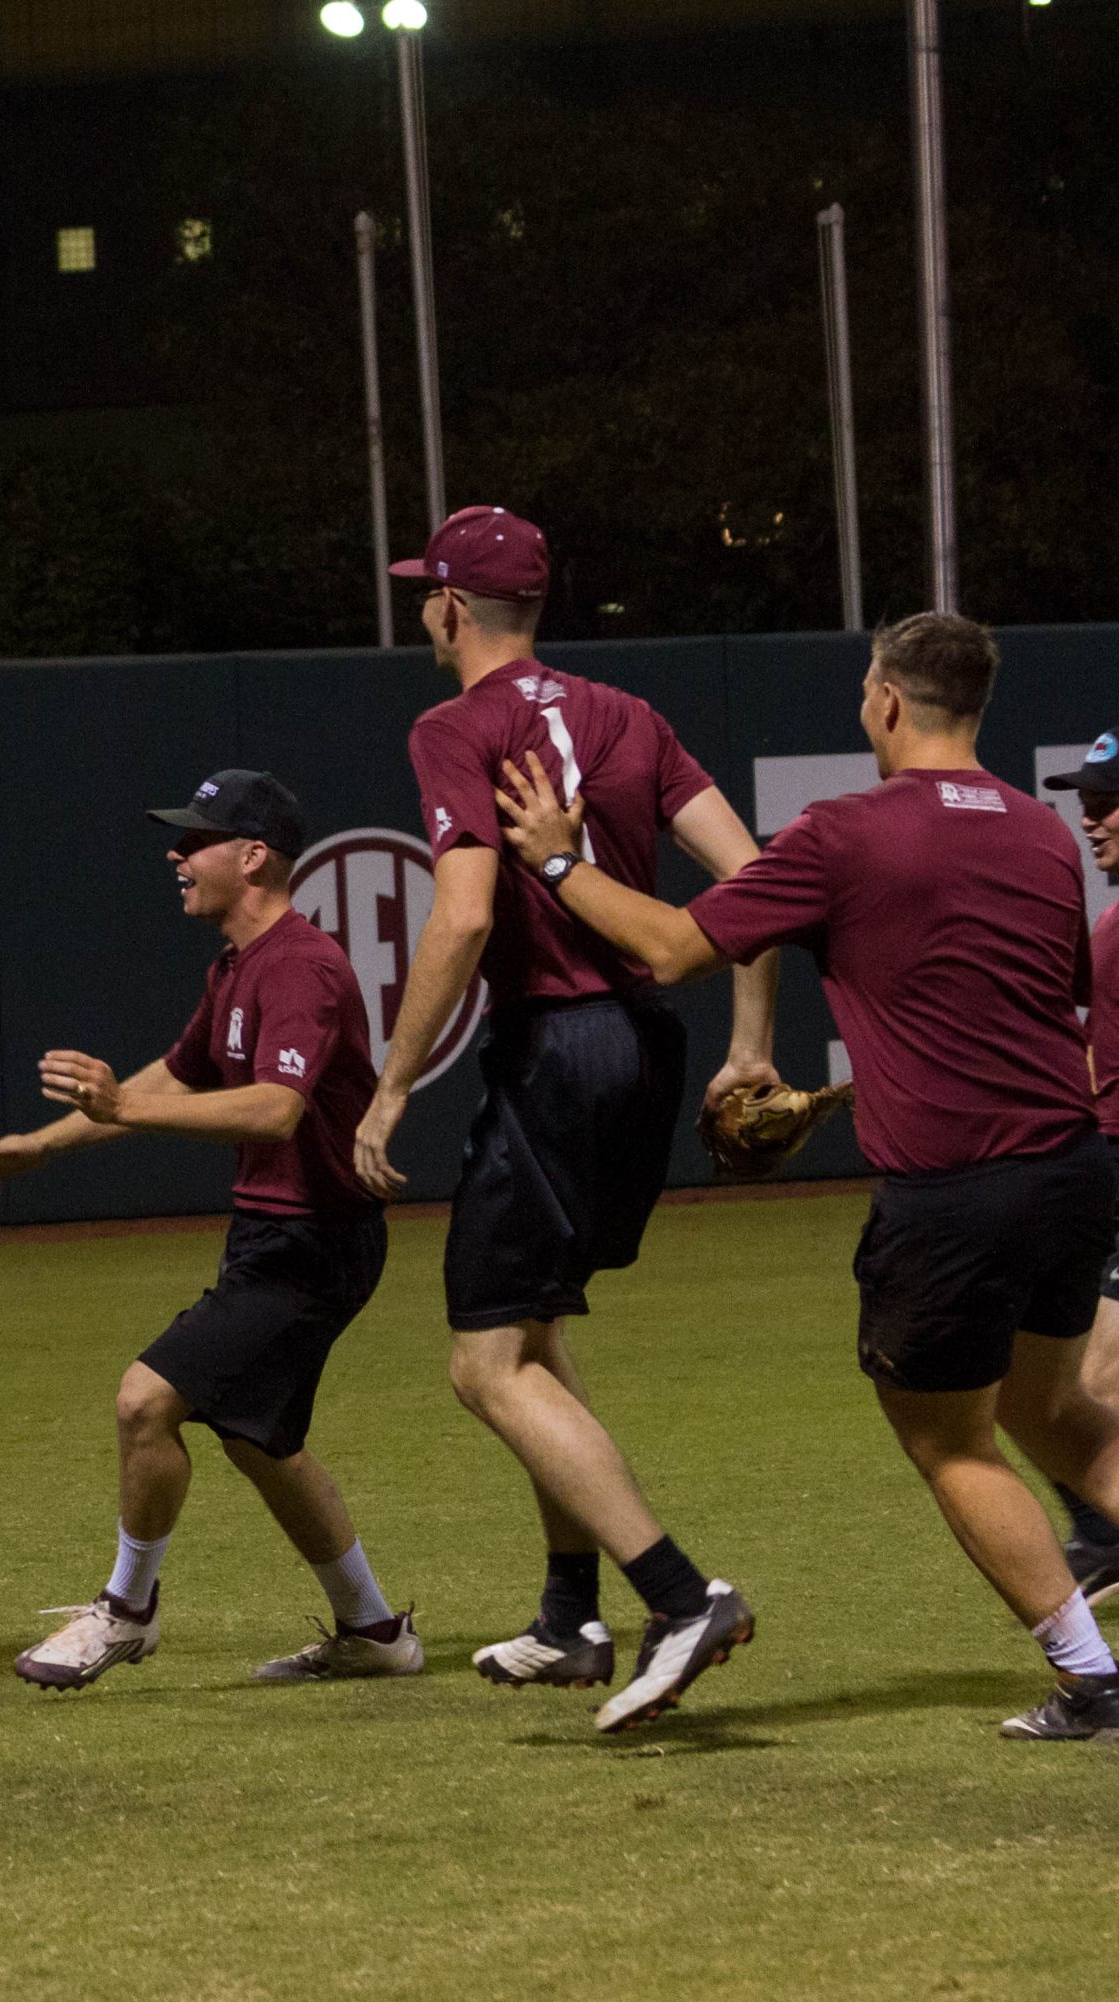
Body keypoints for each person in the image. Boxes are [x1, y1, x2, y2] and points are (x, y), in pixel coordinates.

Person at [494, 612, 1119, 1740]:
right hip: (1073, 1172)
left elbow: (670, 946)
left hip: (954, 1195)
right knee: (1059, 1409)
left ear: (887, 701)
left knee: (950, 1439)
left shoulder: (846, 831)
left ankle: (1094, 1683)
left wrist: (558, 857)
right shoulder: (1040, 837)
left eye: (863, 693)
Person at [356, 507, 771, 1734]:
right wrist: (749, 1045)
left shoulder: (453, 725)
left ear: (448, 605)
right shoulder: (628, 715)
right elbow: (750, 884)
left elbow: (468, 914)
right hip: (647, 1041)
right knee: (529, 1325)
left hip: (557, 1048)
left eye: (422, 591)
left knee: (482, 1365)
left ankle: (680, 1594)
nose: (418, 608)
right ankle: (567, 1615)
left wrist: (388, 1081)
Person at [0, 772, 418, 1692]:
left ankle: (127, 1611)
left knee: (146, 1401)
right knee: (260, 1441)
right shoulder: (236, 967)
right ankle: (373, 1631)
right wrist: (41, 1147)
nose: (175, 856)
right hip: (272, 1234)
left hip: (313, 1243)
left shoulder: (301, 965)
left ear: (252, 856)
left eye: (195, 839)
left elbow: (278, 1109)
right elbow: (172, 1077)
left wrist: (125, 1107)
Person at [1036, 726, 1119, 1622]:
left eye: (1110, 800)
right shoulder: (1116, 921)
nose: (1090, 815)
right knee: (1039, 1378)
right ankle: (1111, 1534)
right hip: (1108, 1176)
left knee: (1102, 1385)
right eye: (1086, 797)